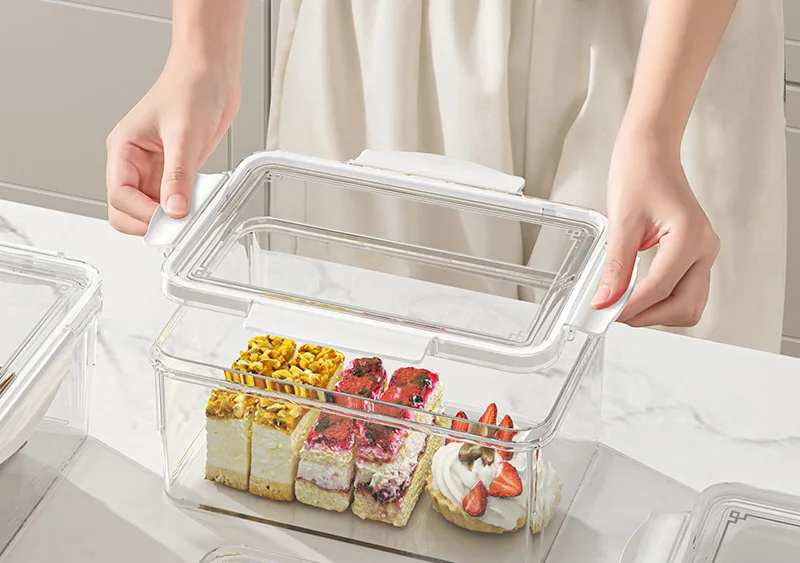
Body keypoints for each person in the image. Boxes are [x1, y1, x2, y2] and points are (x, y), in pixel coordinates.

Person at [106, 0, 786, 352]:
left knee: (656, 420)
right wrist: (201, 50)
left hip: (663, 45)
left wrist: (655, 132)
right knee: (362, 406)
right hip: (384, 37)